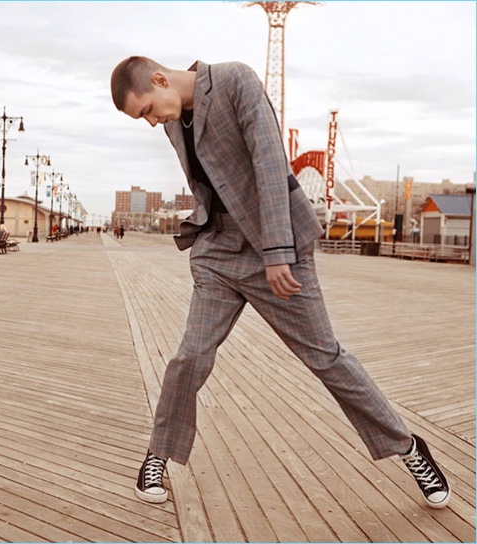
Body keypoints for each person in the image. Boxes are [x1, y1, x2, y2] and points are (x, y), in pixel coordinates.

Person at [110, 56, 451, 509]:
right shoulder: (175, 122)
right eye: (144, 119)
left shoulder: (235, 81)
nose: (152, 122)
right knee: (190, 356)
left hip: (277, 248)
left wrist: (276, 251)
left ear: (159, 79)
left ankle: (409, 448)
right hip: (220, 253)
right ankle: (158, 453)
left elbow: (270, 165)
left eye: (148, 110)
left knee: (326, 358)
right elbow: (211, 182)